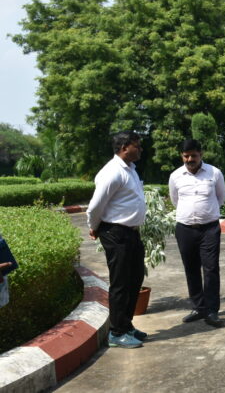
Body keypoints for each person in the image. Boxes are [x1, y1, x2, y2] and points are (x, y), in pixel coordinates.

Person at [86, 131, 147, 348]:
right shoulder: (112, 172)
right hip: (115, 233)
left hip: (131, 232)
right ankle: (116, 332)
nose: (140, 149)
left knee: (135, 278)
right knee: (121, 282)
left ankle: (127, 325)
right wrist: (93, 227)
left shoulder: (130, 169)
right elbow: (95, 206)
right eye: (136, 145)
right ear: (124, 148)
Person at [169, 139, 225, 328]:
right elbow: (175, 200)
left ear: (200, 154)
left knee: (210, 269)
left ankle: (212, 311)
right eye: (186, 156)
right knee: (191, 268)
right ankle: (198, 307)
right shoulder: (176, 176)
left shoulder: (214, 173)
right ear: (182, 156)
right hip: (185, 228)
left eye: (193, 155)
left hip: (209, 229)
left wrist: (206, 213)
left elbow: (221, 197)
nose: (190, 159)